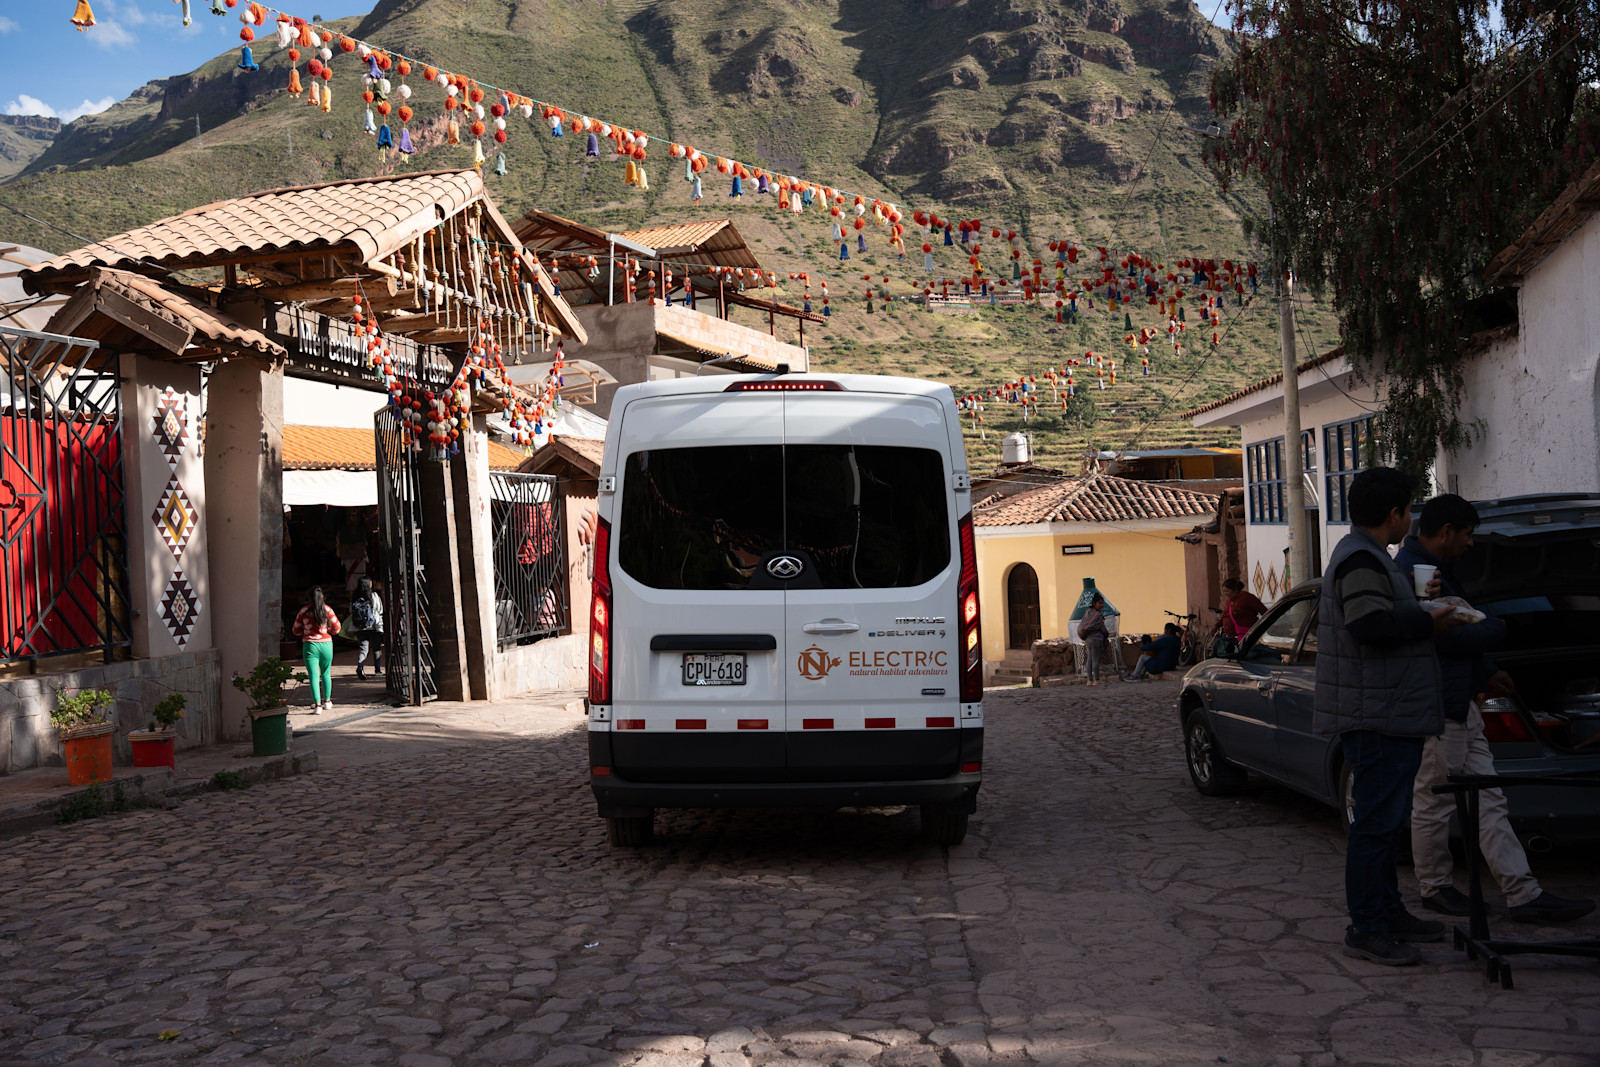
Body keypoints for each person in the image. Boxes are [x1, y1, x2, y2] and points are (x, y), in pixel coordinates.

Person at [1397, 495, 1595, 923]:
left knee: (1489, 799)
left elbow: (1457, 634)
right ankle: (1435, 887)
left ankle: (1523, 894)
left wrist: (1486, 671)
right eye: (1467, 535)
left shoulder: (1438, 571)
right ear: (1447, 531)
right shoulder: (1415, 574)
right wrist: (1497, 629)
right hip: (1438, 706)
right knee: (1435, 801)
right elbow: (1444, 637)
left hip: (1460, 702)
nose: (1470, 544)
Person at [1315, 467, 1465, 966]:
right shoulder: (1362, 559)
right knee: (1375, 828)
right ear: (1395, 513)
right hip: (1376, 715)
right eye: (1408, 511)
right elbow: (1369, 626)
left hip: (1386, 710)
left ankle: (1388, 912)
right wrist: (1427, 619)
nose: (1411, 520)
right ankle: (1368, 926)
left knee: (1385, 823)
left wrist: (1421, 607)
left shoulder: (1371, 556)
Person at [292, 585, 341, 714]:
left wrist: (306, 632)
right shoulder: (328, 610)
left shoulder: (304, 611)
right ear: (322, 597)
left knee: (313, 675)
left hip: (310, 645)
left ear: (309, 598)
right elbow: (337, 628)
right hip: (326, 644)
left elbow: (295, 630)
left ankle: (318, 705)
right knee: (326, 673)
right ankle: (328, 701)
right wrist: (328, 630)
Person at [350, 576, 384, 681]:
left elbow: (351, 611)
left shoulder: (355, 597)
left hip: (359, 627)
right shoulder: (373, 596)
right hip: (373, 626)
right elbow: (380, 609)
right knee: (376, 648)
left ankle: (360, 666)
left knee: (363, 649)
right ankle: (377, 670)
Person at [1079, 594, 1108, 686]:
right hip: (1097, 639)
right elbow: (1103, 629)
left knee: (1089, 660)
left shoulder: (1088, 612)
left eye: (1102, 603)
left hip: (1088, 639)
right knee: (1096, 660)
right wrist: (1106, 635)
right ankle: (1097, 680)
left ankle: (1089, 680)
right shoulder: (1098, 615)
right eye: (1100, 603)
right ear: (1094, 603)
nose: (1101, 605)